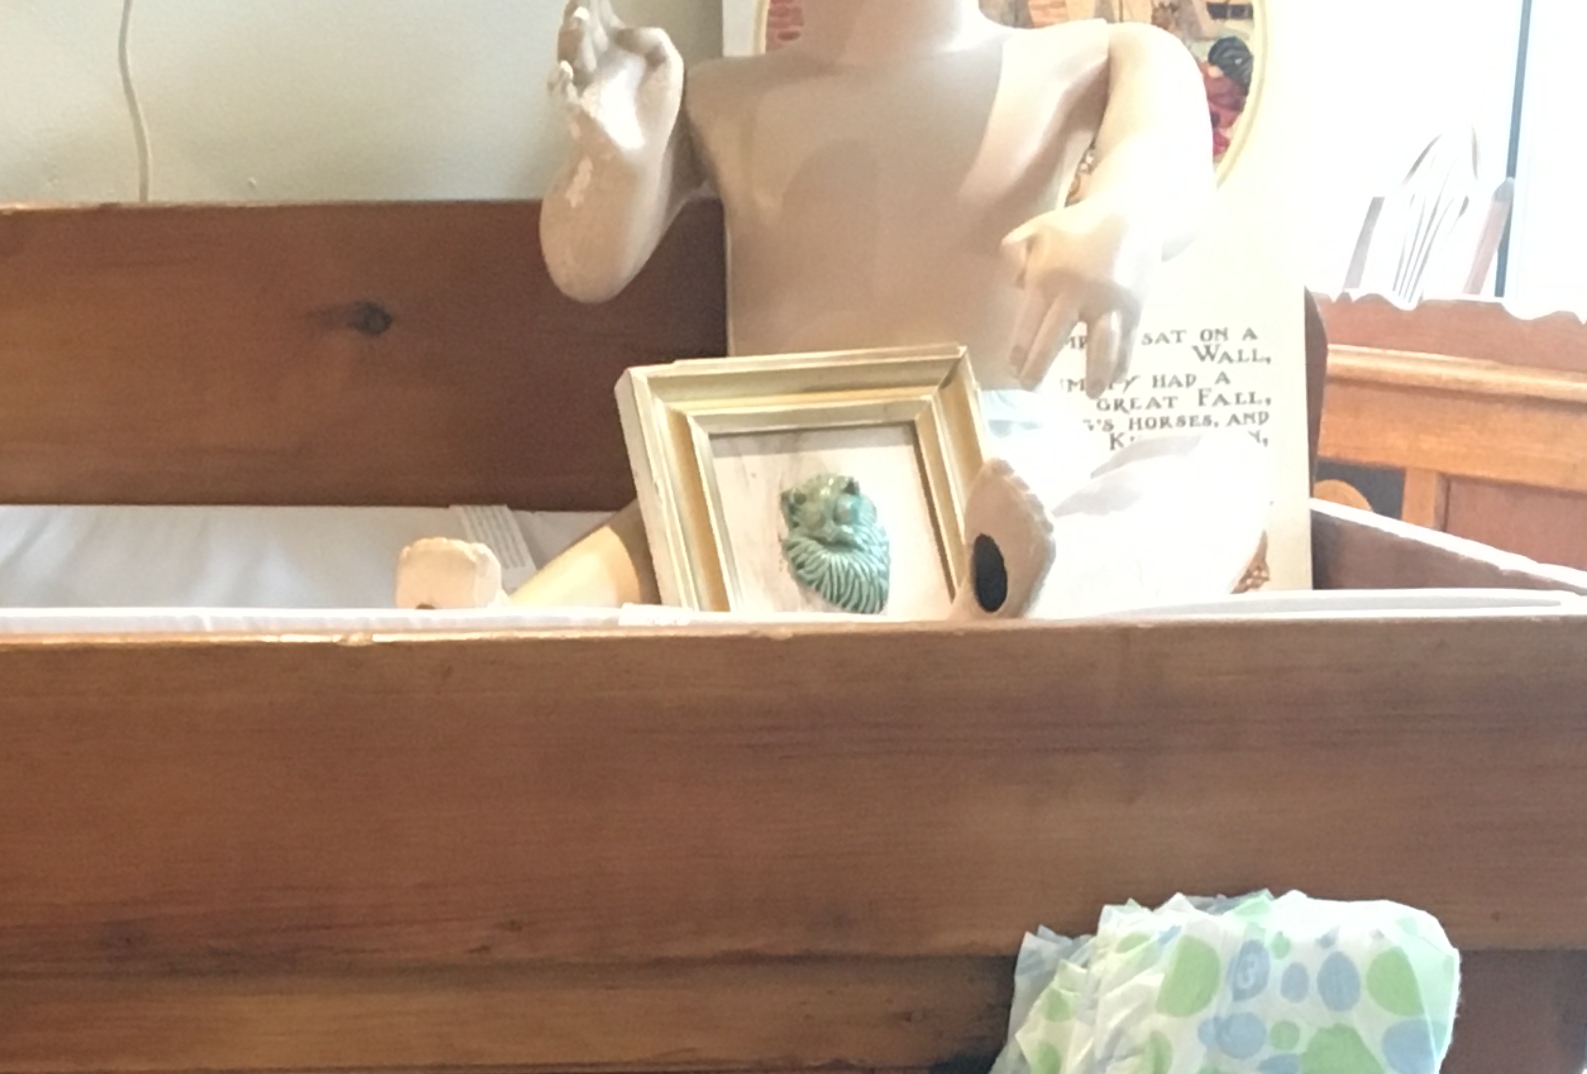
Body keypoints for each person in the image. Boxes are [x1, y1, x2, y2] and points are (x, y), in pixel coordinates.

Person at [407, 0, 1263, 616]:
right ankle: (503, 621)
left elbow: (1164, 155)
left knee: (1222, 470)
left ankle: (1025, 593)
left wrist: (1120, 218)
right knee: (659, 528)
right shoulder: (720, 94)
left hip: (994, 472)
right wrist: (615, 158)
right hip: (771, 461)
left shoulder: (1102, 58)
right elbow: (587, 267)